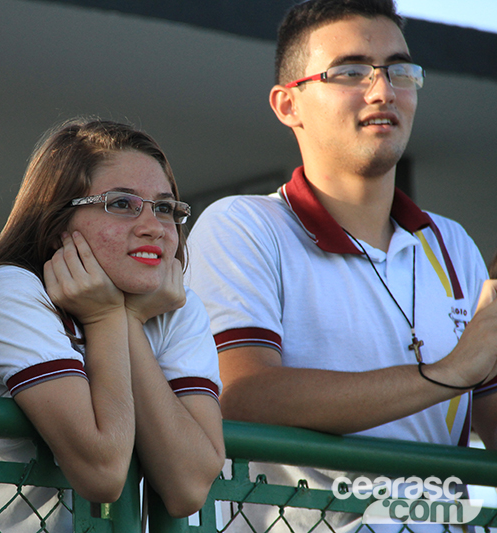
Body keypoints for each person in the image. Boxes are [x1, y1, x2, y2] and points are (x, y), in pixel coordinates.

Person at [186, 0, 497, 530]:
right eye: (351, 71)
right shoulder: (244, 224)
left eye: (400, 70)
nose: (383, 91)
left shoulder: (453, 244)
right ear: (289, 104)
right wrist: (446, 373)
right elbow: (239, 394)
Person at [0, 119, 225, 532]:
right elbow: (103, 473)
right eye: (121, 204)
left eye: (164, 208)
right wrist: (106, 317)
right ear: (58, 223)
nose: (153, 227)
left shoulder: (175, 305)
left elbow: (189, 487)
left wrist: (124, 320)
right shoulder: (9, 291)